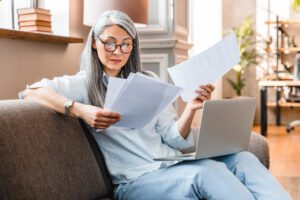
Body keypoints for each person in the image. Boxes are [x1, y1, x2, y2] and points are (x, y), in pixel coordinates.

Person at [20, 11, 291, 200]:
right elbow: (30, 92)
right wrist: (79, 110)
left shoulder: (147, 80)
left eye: (126, 45)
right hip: (134, 182)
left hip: (169, 165)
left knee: (242, 157)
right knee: (208, 173)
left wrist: (192, 108)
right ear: (94, 42)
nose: (118, 52)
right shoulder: (83, 84)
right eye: (110, 43)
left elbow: (174, 139)